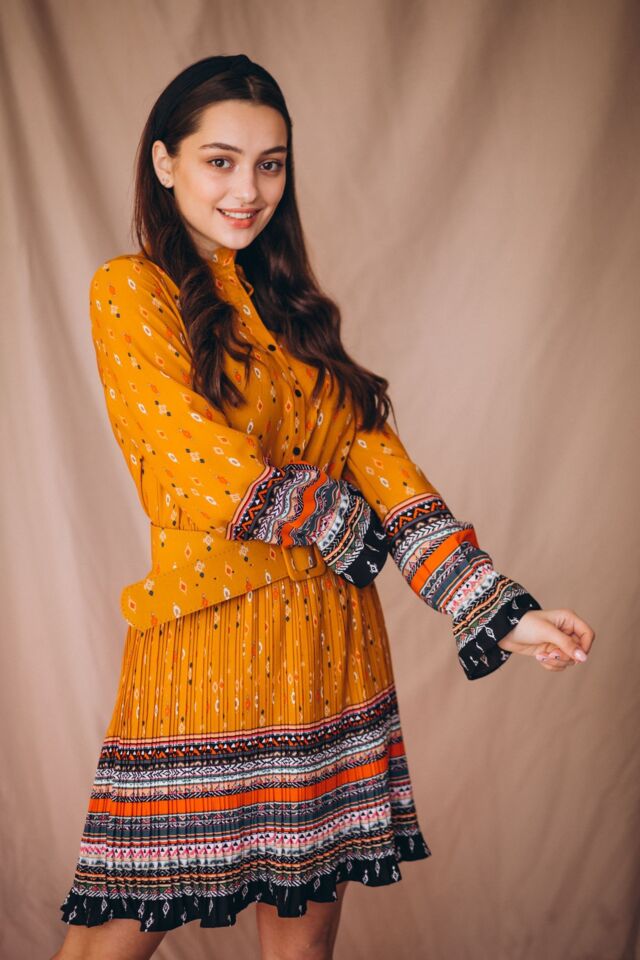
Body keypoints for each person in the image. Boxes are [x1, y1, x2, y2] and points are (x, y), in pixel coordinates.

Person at [53, 54, 595, 960]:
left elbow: (385, 469)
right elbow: (194, 466)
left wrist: (500, 611)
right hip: (207, 653)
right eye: (220, 161)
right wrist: (337, 519)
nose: (248, 190)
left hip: (328, 652)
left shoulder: (296, 315)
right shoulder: (131, 291)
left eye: (270, 164)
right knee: (112, 940)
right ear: (164, 162)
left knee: (302, 948)